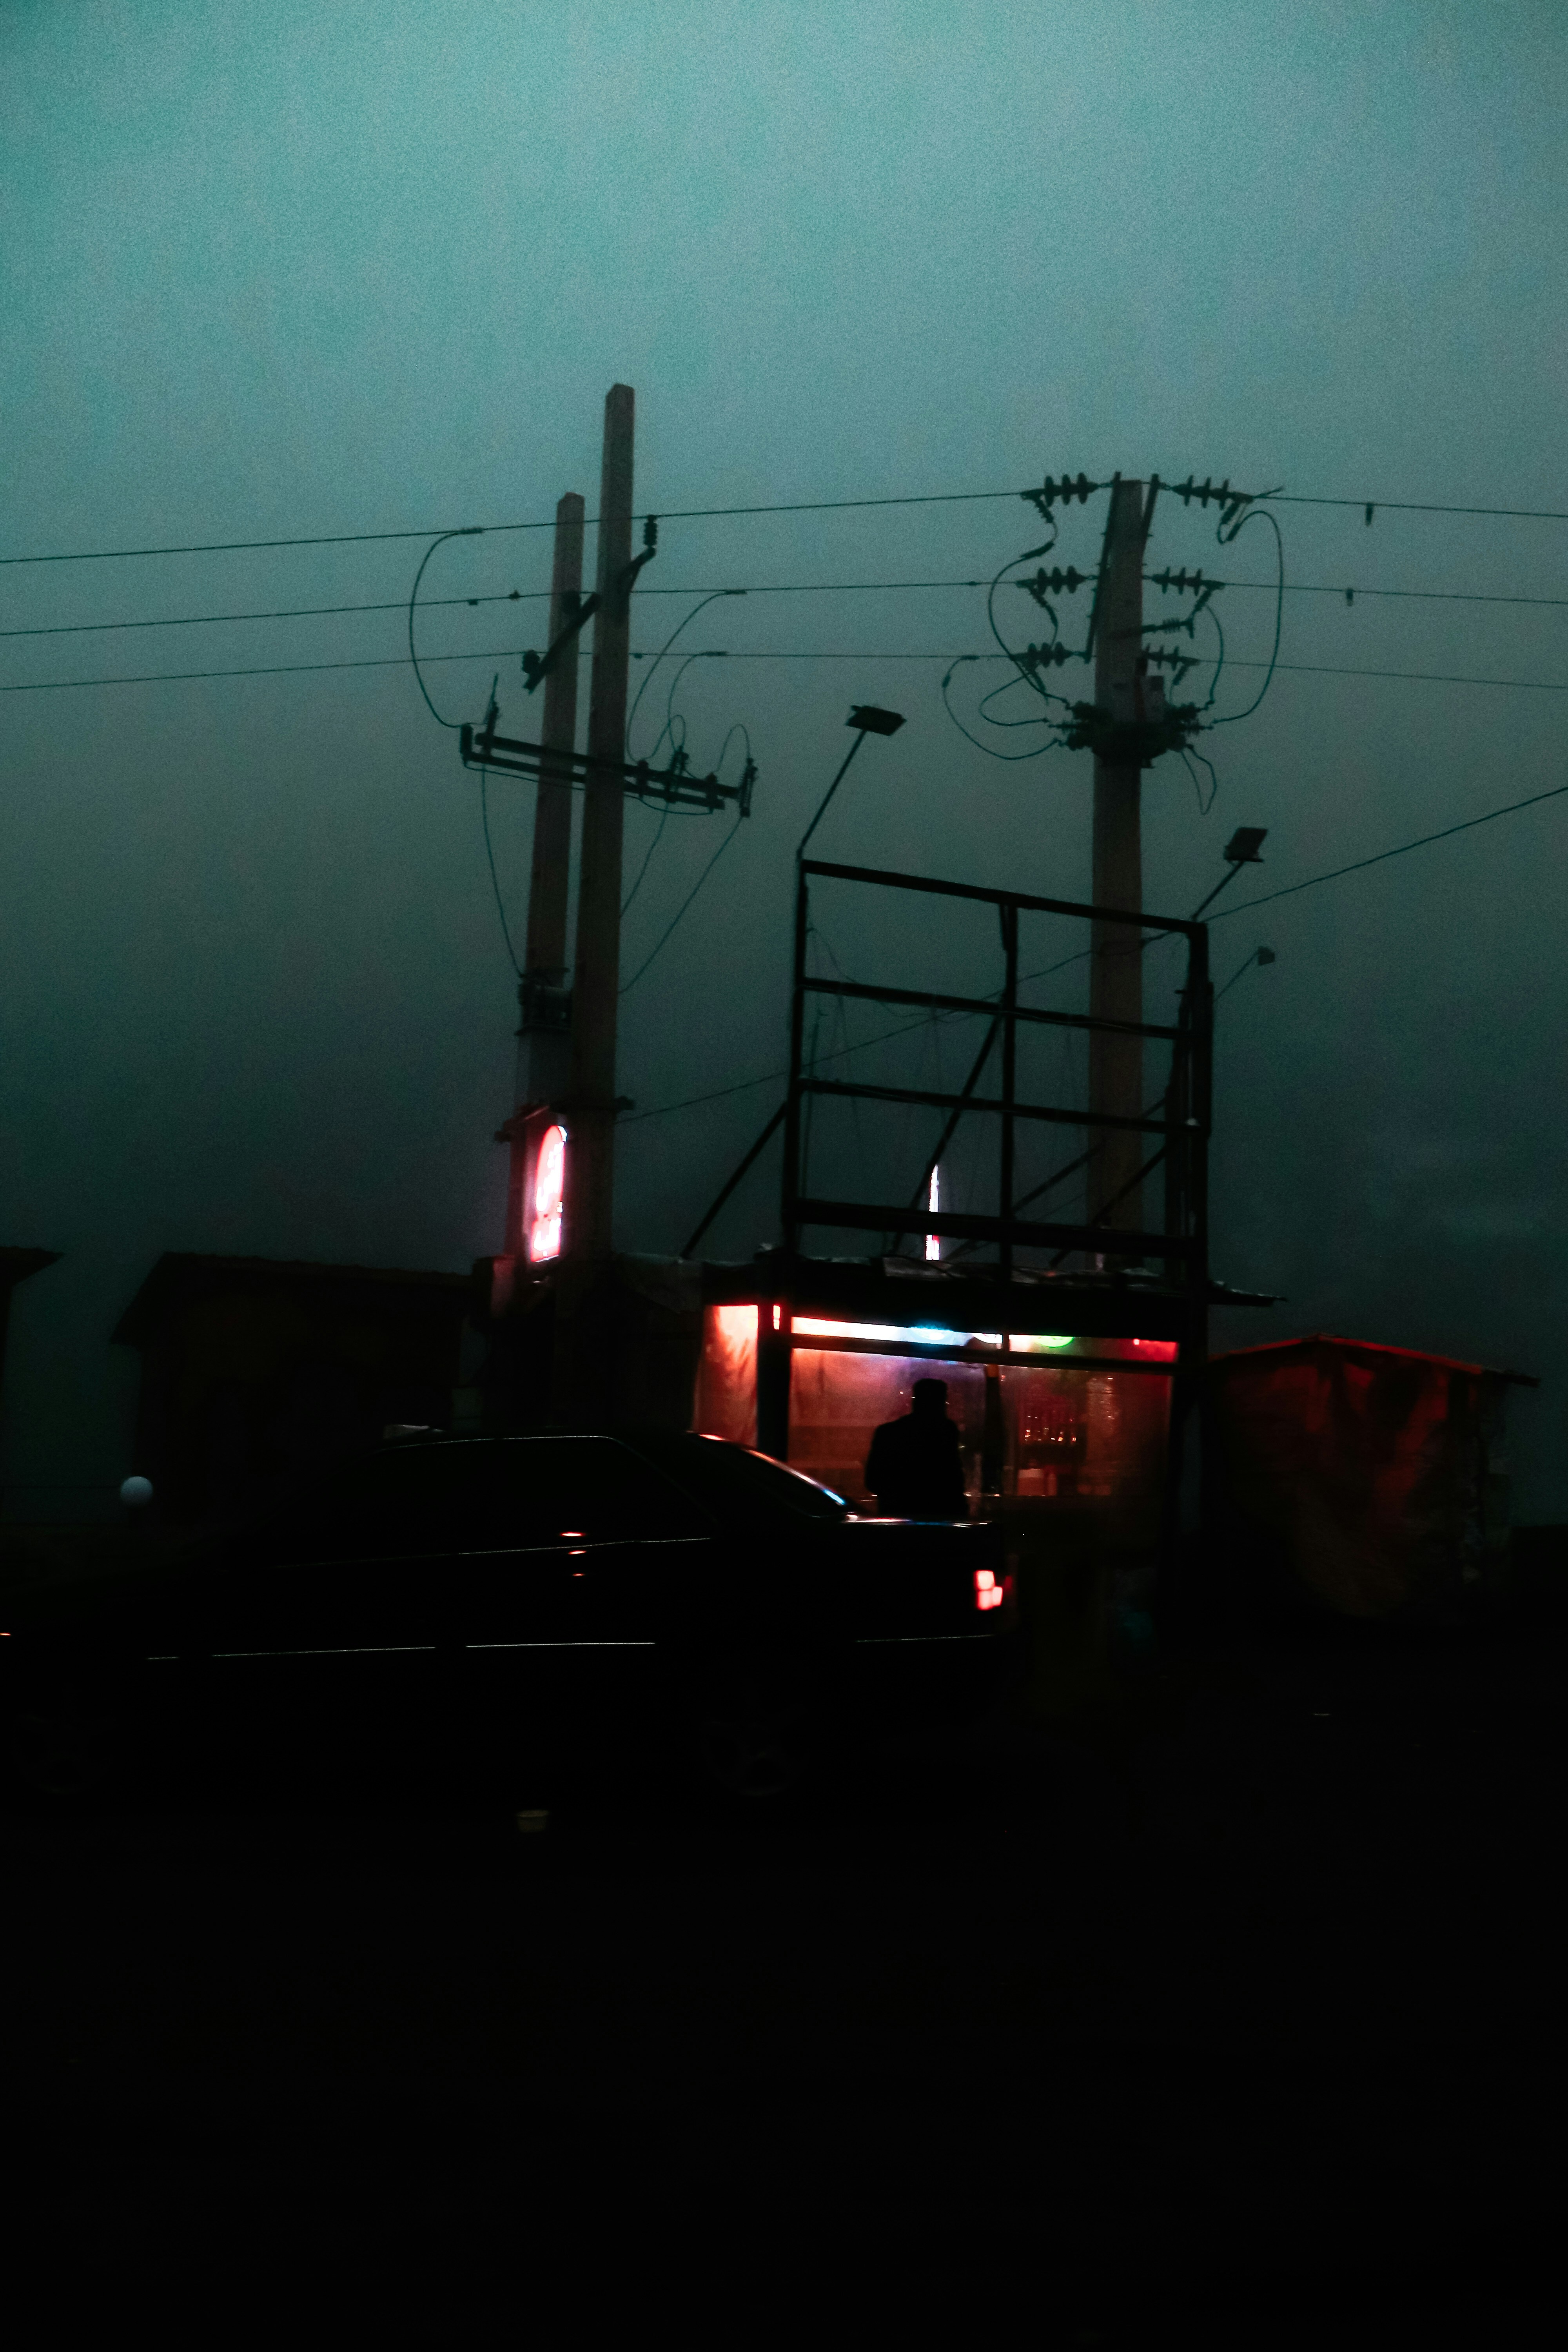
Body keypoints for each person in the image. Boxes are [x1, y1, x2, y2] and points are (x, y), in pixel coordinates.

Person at [864, 1377, 969, 1519]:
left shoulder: (888, 1432)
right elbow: (954, 1479)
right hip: (942, 1518)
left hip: (897, 1517)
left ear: (915, 1401)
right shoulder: (947, 1431)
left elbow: (873, 1480)